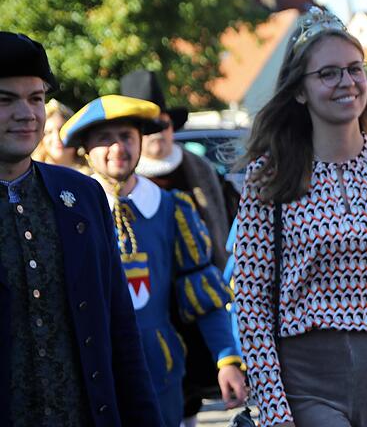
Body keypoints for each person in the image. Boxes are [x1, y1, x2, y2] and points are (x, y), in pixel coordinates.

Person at [233, 7, 367, 427]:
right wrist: (274, 407)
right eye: (328, 73)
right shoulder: (268, 176)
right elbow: (250, 301)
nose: (346, 82)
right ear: (300, 91)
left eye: (354, 69)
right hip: (305, 373)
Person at [0, 31, 164, 426]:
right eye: (6, 100)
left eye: (36, 98)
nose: (27, 113)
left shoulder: (82, 196)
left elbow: (120, 330)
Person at [59, 94, 247, 427]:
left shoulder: (171, 208)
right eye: (105, 138)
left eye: (127, 137)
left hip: (160, 371)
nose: (118, 148)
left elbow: (203, 292)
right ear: (86, 150)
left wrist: (227, 358)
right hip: (93, 371)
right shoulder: (65, 211)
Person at [120, 69, 236, 427]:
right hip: (145, 304)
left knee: (190, 385)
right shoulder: (114, 185)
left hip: (195, 290)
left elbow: (228, 219)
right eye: (148, 128)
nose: (158, 134)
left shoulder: (199, 169)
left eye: (163, 124)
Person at [31, 98, 90, 173]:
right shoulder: (33, 175)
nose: (57, 137)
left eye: (61, 129)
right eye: (48, 132)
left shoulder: (94, 174)